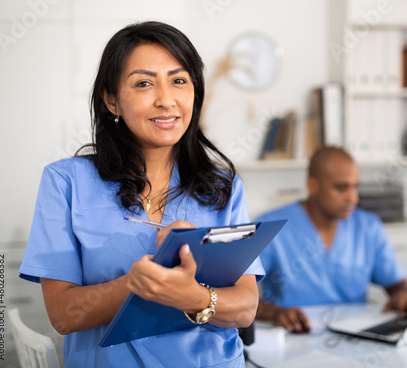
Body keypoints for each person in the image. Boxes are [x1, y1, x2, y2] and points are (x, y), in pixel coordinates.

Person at [19, 21, 262, 367]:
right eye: (144, 83)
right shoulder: (65, 182)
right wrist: (138, 282)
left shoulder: (223, 187)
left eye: (179, 80)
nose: (166, 100)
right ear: (111, 99)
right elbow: (63, 315)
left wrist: (192, 295)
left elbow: (246, 308)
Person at [255, 146, 407, 333]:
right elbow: (240, 296)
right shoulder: (270, 226)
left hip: (354, 337)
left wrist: (403, 296)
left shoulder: (368, 227)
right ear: (313, 186)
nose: (352, 198)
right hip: (292, 336)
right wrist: (275, 313)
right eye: (341, 188)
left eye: (355, 186)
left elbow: (398, 284)